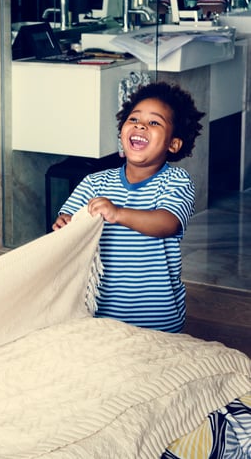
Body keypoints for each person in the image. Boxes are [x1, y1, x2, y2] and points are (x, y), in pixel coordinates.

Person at [52, 81, 204, 333]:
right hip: (98, 312)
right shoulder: (95, 182)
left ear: (173, 144)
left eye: (155, 123)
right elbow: (68, 219)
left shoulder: (175, 181)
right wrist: (65, 224)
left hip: (155, 317)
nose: (141, 125)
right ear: (122, 131)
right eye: (134, 119)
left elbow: (167, 223)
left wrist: (118, 213)